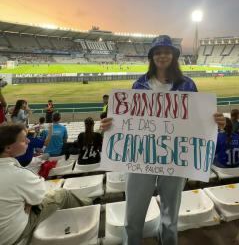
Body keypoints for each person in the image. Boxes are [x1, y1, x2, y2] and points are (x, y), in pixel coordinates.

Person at [100, 35, 224, 245]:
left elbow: (197, 121)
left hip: (175, 159)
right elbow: (129, 120)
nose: (162, 55)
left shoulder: (188, 85)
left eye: (166, 51)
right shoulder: (139, 84)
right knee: (133, 215)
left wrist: (215, 122)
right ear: (152, 57)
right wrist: (110, 125)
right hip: (142, 158)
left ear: (174, 56)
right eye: (157, 52)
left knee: (170, 216)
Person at [0, 124, 91, 245]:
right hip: (11, 236)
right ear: (8, 148)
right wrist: (29, 202)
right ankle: (91, 207)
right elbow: (39, 196)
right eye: (23, 140)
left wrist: (27, 202)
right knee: (62, 194)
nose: (28, 140)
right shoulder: (18, 174)